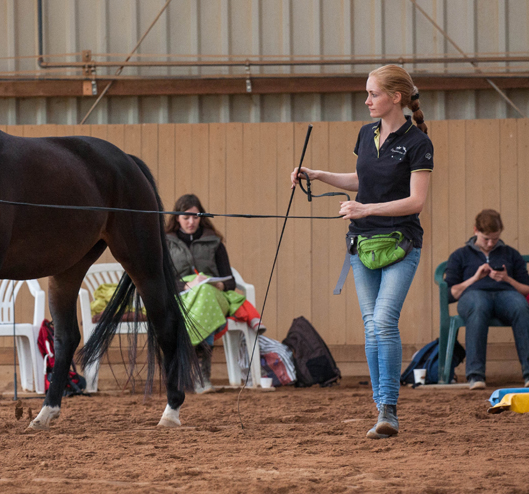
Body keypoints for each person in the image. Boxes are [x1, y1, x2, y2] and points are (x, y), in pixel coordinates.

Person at [290, 65, 433, 439]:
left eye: (373, 93)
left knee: (384, 321)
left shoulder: (418, 143)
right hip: (362, 243)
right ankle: (380, 408)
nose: (367, 100)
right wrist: (318, 174)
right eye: (367, 93)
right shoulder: (365, 134)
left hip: (400, 244)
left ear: (396, 97)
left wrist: (365, 208)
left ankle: (389, 409)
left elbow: (416, 201)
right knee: (372, 327)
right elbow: (362, 180)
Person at [165, 194, 262, 394]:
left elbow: (230, 281)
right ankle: (202, 378)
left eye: (196, 217)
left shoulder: (214, 242)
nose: (191, 222)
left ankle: (194, 374)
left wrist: (218, 286)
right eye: (186, 218)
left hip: (215, 296)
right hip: (181, 296)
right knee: (199, 300)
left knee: (205, 294)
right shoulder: (166, 243)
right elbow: (162, 280)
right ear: (177, 218)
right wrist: (186, 286)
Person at [444, 209, 529, 390]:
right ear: (476, 230)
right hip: (473, 295)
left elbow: (526, 289)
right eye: (486, 239)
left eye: (495, 239)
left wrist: (507, 279)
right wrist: (475, 278)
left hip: (506, 294)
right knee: (479, 305)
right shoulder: (460, 255)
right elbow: (450, 294)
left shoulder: (511, 254)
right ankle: (476, 375)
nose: (491, 244)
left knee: (521, 306)